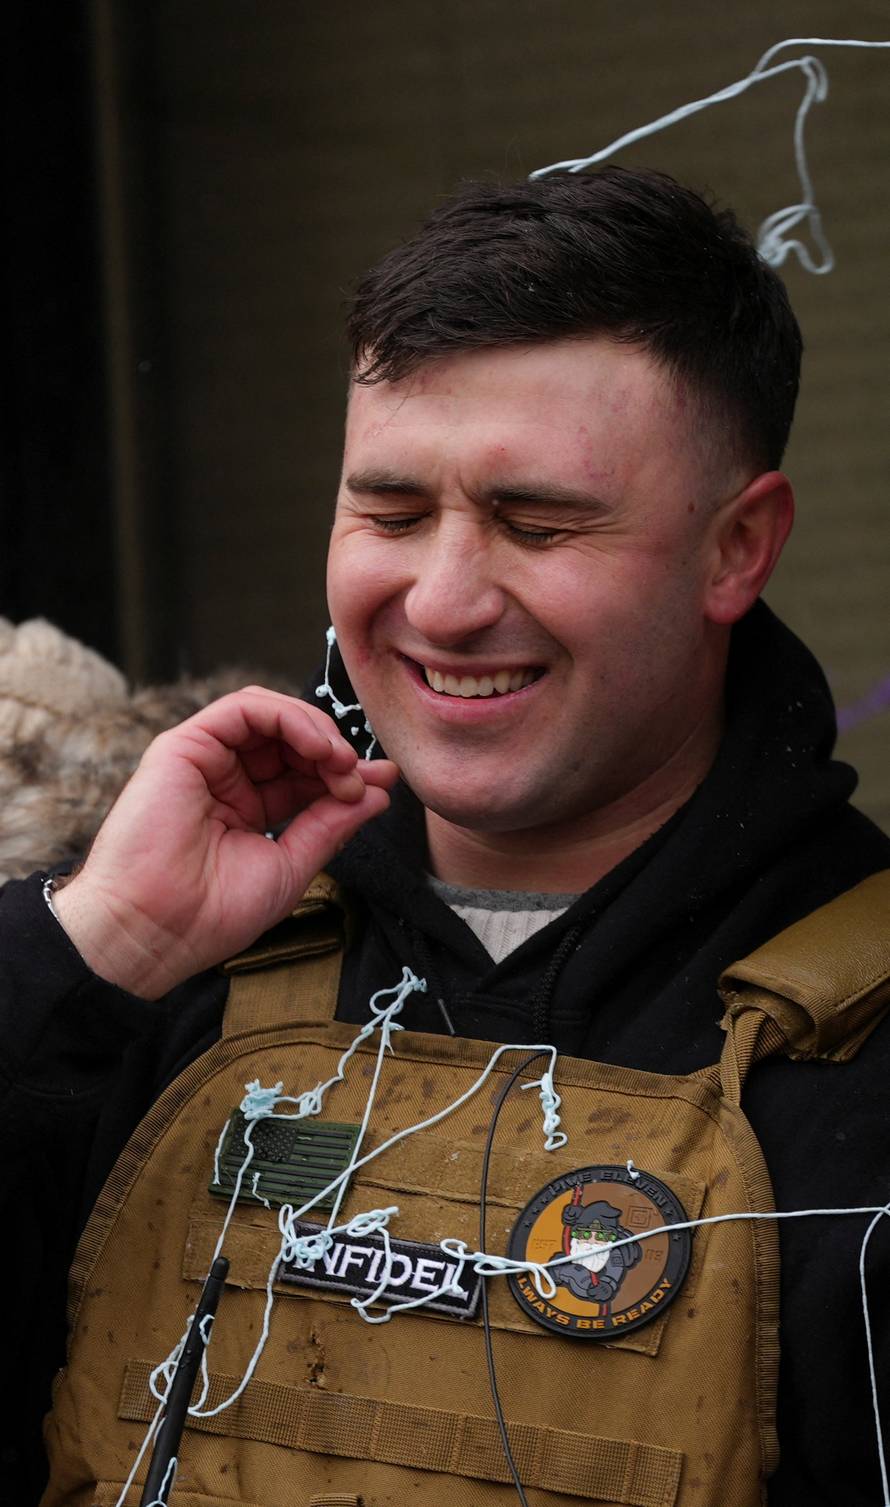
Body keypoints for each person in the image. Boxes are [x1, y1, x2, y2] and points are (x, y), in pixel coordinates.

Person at [2, 168, 888, 1507]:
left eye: (539, 524)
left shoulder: (857, 1065)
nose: (445, 599)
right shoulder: (151, 968)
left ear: (736, 550)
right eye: (391, 512)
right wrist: (90, 946)